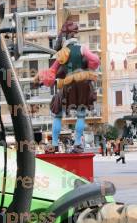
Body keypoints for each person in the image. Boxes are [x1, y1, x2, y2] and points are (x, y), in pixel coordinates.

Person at [36, 21, 100, 154]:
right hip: (84, 85)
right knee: (81, 115)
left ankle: (54, 144)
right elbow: (95, 60)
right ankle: (78, 144)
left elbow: (52, 72)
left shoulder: (63, 52)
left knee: (57, 112)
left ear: (65, 37)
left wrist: (42, 81)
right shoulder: (83, 48)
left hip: (69, 85)